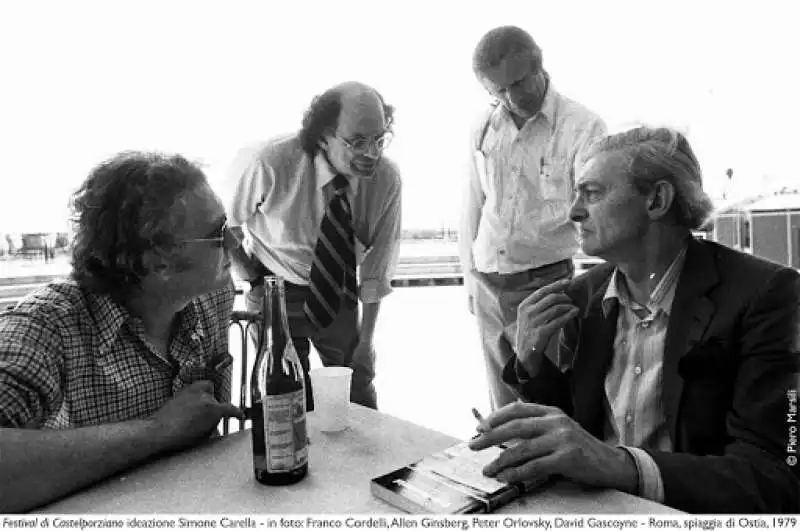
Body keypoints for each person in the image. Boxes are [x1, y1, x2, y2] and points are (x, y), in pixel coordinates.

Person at [469, 127, 800, 513]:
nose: (573, 211)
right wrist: (531, 362)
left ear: (657, 199)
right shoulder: (583, 295)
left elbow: (778, 475)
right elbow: (576, 431)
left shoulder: (768, 294)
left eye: (591, 193)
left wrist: (620, 466)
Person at [0, 152, 244, 512]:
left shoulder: (211, 294)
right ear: (156, 260)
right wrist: (160, 430)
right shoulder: (48, 327)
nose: (236, 244)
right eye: (218, 234)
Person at [224, 81, 402, 410]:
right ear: (322, 135)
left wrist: (366, 342)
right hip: (274, 285)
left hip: (338, 289)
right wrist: (250, 277)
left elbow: (378, 267)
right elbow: (225, 225)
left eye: (379, 139)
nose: (371, 154)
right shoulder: (268, 162)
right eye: (357, 142)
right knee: (284, 396)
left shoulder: (386, 179)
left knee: (358, 390)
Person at [459, 25, 607, 410]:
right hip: (488, 281)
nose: (511, 98)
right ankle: (510, 469)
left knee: (544, 398)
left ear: (539, 64)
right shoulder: (482, 127)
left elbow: (594, 212)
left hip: (546, 282)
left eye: (518, 83)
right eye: (498, 91)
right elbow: (472, 203)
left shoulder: (584, 127)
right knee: (502, 403)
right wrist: (469, 277)